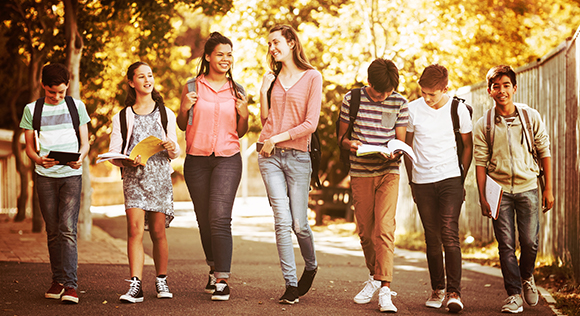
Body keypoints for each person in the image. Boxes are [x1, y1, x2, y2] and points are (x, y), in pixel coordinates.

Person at [474, 65, 554, 313]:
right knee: (505, 244)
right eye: (496, 86)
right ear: (489, 91)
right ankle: (513, 295)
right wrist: (482, 197)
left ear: (514, 88)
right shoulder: (484, 124)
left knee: (529, 242)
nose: (501, 91)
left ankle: (527, 276)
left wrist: (548, 188)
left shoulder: (530, 117)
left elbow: (544, 152)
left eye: (506, 85)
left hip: (528, 187)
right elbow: (479, 162)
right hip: (499, 193)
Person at [177, 32, 248, 301]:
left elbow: (241, 131)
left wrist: (245, 114)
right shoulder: (191, 86)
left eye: (229, 54)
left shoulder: (238, 90)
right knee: (204, 220)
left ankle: (222, 278)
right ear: (207, 57)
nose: (226, 59)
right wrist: (183, 108)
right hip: (196, 160)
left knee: (219, 217)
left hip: (228, 158)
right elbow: (183, 124)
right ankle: (212, 267)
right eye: (220, 54)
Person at [337, 58, 408, 313]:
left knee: (384, 229)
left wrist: (396, 152)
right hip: (361, 172)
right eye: (380, 91)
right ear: (369, 83)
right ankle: (374, 276)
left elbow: (400, 141)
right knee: (366, 233)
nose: (384, 96)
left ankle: (385, 290)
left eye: (389, 91)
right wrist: (352, 144)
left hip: (389, 171)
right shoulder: (352, 100)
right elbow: (342, 139)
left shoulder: (399, 102)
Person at [257, 24, 321, 305]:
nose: (272, 48)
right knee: (281, 222)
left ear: (292, 42)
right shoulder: (272, 78)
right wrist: (262, 92)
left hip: (297, 156)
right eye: (269, 44)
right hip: (269, 157)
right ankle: (291, 285)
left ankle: (311, 265)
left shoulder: (312, 77)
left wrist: (278, 138)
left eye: (276, 42)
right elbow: (265, 122)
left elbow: (311, 124)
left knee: (299, 224)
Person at [108, 61, 180, 303]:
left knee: (158, 232)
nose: (147, 80)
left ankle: (161, 280)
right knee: (135, 231)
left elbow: (175, 150)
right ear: (131, 82)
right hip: (134, 179)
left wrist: (172, 147)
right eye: (141, 76)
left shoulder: (165, 113)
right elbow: (114, 153)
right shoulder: (122, 116)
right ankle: (135, 285)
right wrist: (126, 162)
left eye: (150, 75)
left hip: (159, 179)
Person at [20, 63, 90, 304]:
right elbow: (29, 147)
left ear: (67, 86)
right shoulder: (32, 109)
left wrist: (80, 157)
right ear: (43, 86)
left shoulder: (76, 106)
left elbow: (85, 143)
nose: (57, 96)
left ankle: (71, 285)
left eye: (61, 92)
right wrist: (38, 158)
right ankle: (57, 280)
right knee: (52, 231)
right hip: (45, 176)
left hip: (71, 176)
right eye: (52, 92)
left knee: (67, 230)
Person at [404, 64, 472, 313]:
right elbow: (407, 149)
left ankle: (454, 292)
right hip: (422, 182)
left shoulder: (458, 109)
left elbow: (467, 146)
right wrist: (412, 181)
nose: (427, 98)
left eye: (432, 94)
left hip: (450, 179)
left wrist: (460, 179)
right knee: (431, 238)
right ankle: (437, 289)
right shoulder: (412, 109)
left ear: (445, 89)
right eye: (423, 92)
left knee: (449, 234)